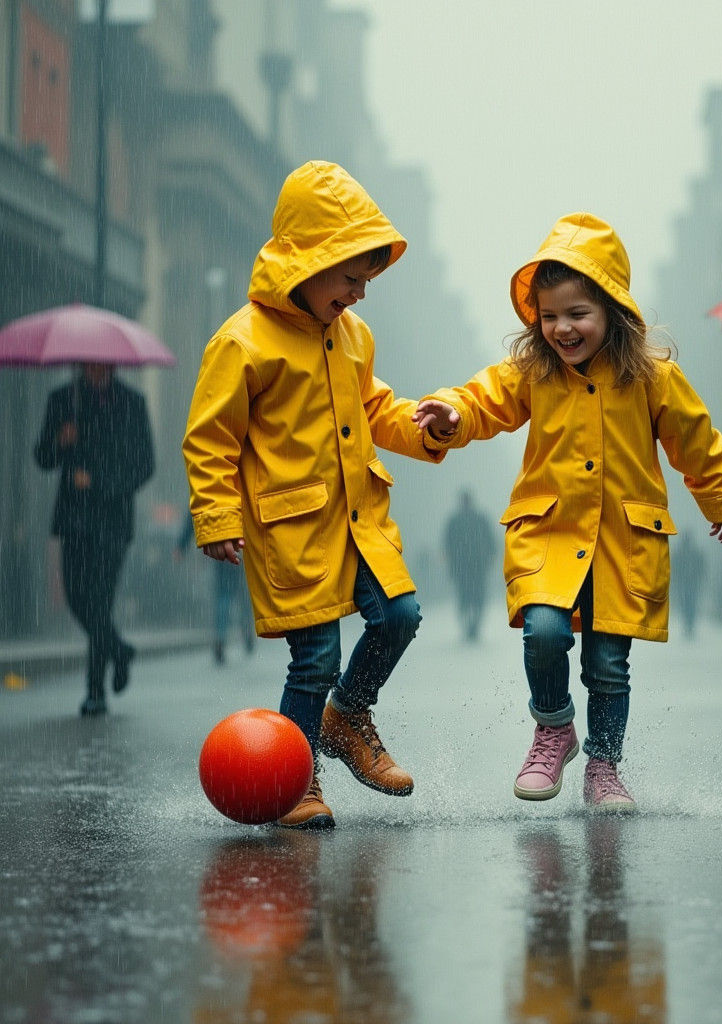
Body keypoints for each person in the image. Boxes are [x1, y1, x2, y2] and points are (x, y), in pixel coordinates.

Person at [414, 213, 722, 811]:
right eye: (549, 317)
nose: (562, 329)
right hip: (550, 533)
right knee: (543, 632)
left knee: (608, 663)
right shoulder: (534, 372)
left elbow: (694, 438)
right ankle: (553, 728)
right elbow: (484, 397)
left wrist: (719, 494)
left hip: (624, 540)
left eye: (577, 314)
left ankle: (604, 765)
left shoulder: (651, 376)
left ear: (612, 312)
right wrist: (452, 415)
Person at [182, 161, 459, 830]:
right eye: (351, 278)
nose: (361, 293)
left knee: (399, 615)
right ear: (311, 260)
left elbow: (374, 407)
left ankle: (347, 715)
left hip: (358, 521)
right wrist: (216, 515)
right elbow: (211, 439)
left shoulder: (353, 337)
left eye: (367, 280)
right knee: (314, 658)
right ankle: (297, 777)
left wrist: (425, 424)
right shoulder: (243, 342)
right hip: (293, 529)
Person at [33, 362, 154, 716]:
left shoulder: (132, 403)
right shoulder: (62, 401)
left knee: (99, 600)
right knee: (75, 596)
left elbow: (145, 464)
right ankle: (119, 649)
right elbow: (42, 457)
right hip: (74, 520)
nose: (95, 368)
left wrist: (100, 483)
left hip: (113, 522)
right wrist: (60, 440)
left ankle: (95, 691)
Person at [175, 508, 255, 665]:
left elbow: (195, 512)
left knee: (223, 595)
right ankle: (246, 630)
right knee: (243, 594)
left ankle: (220, 637)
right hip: (241, 542)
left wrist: (182, 545)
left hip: (220, 543)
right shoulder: (237, 486)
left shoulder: (208, 486)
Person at [442, 489, 497, 641]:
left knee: (466, 597)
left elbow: (447, 546)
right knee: (475, 597)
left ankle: (471, 625)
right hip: (475, 567)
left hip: (466, 568)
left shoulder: (455, 521)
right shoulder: (479, 519)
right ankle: (472, 625)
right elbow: (491, 542)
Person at [672, 530, 707, 638]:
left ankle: (688, 625)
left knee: (686, 604)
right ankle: (689, 625)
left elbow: (674, 568)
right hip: (691, 583)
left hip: (685, 584)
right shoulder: (694, 552)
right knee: (690, 604)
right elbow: (702, 567)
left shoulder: (680, 552)